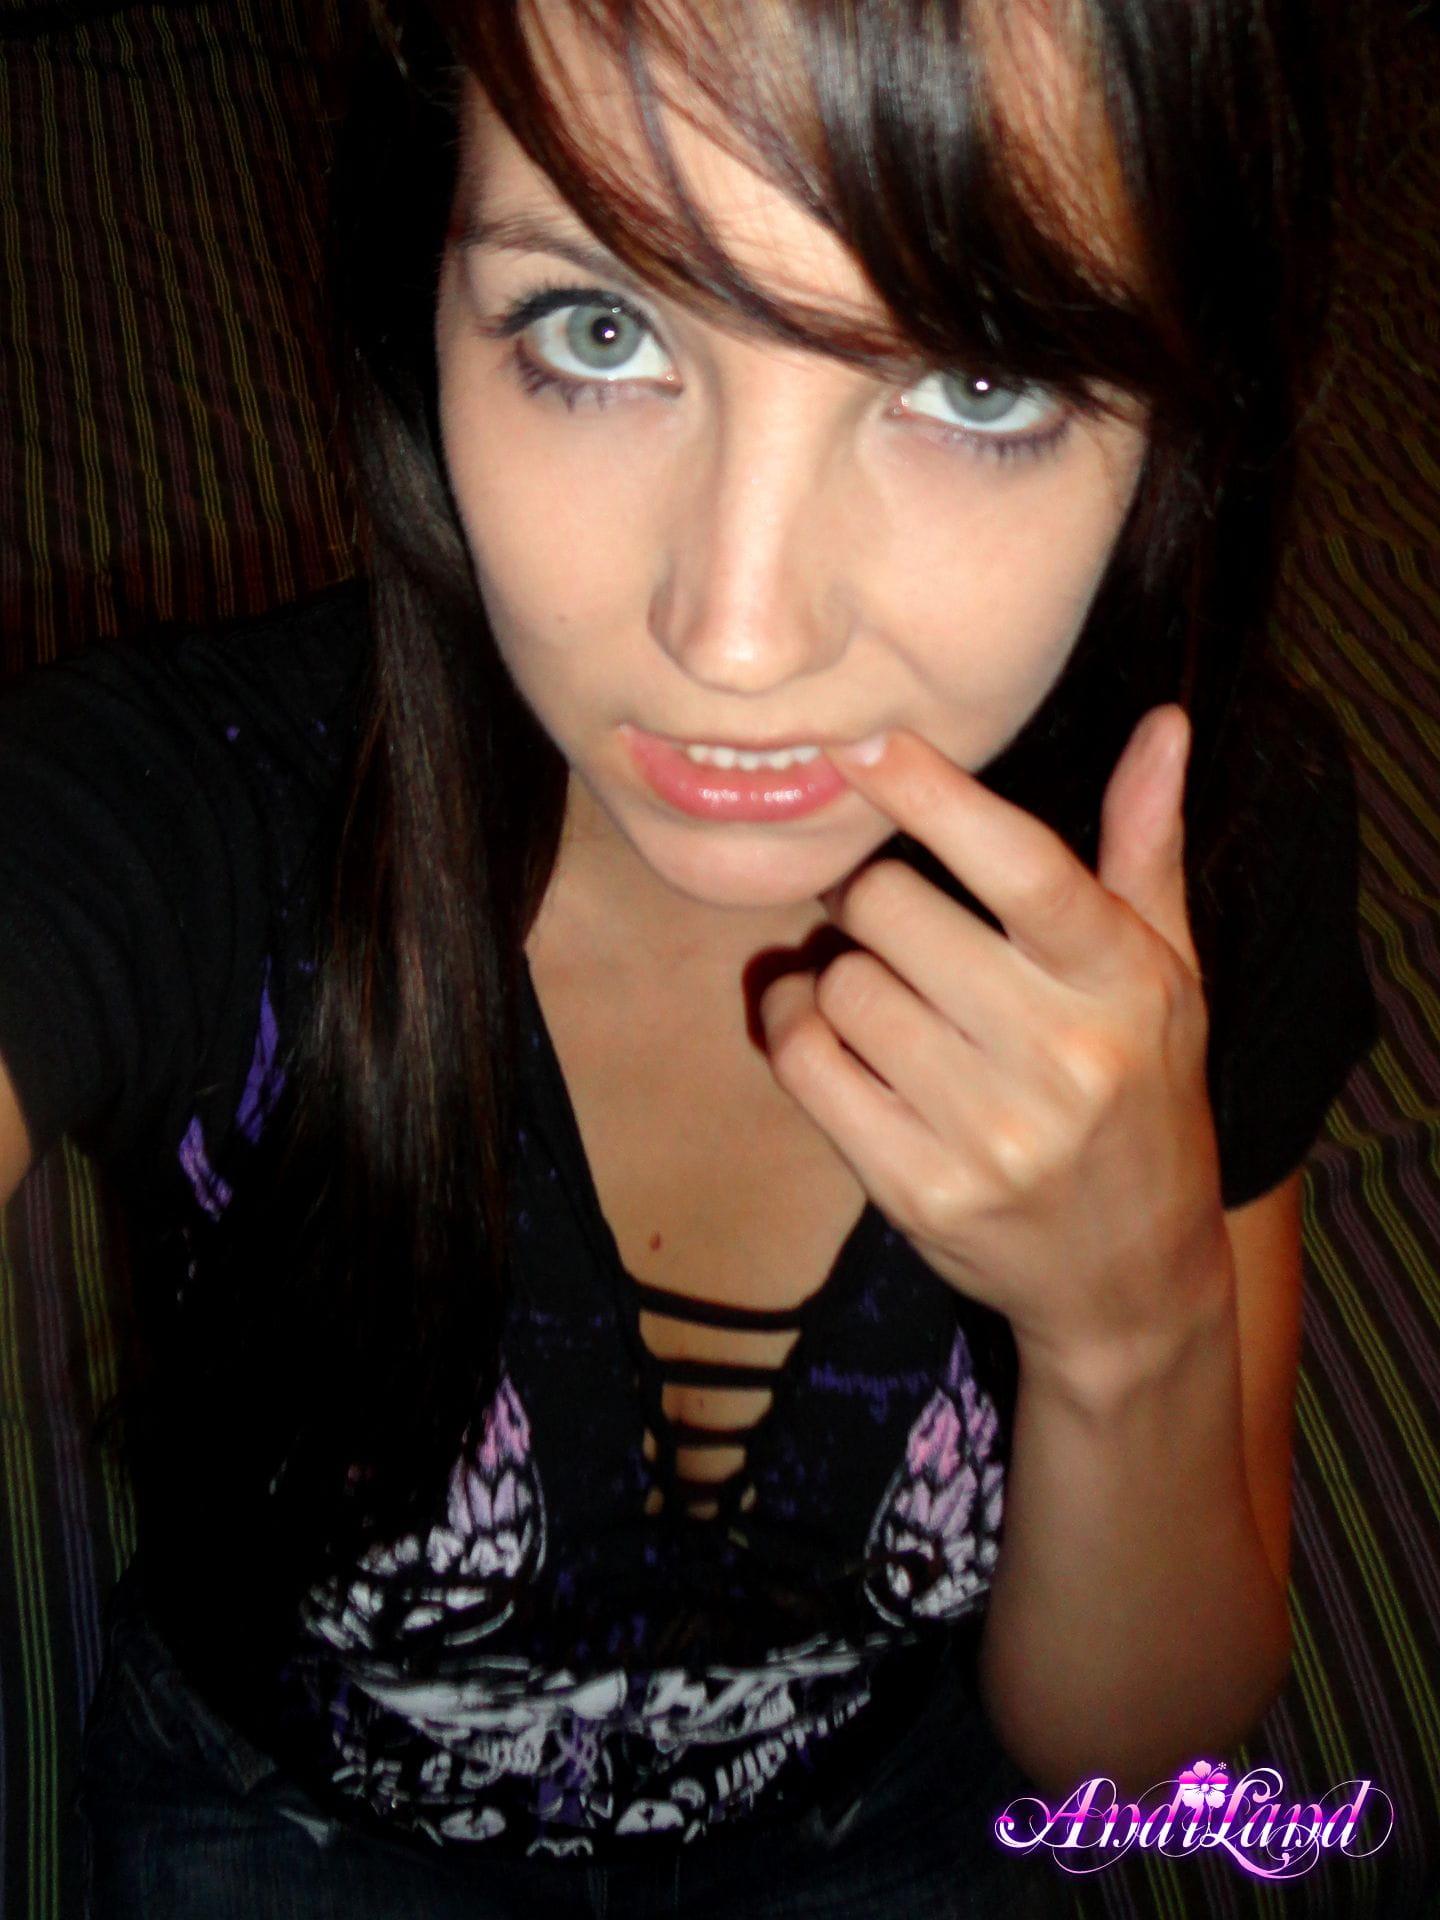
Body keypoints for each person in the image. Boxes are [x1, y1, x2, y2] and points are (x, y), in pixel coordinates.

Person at [0, 0, 1375, 1913]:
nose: (736, 636)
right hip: (291, 1814)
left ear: (1186, 413)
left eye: (975, 378)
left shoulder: (1205, 866)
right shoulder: (179, 815)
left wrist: (1127, 1330)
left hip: (871, 1820)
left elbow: (1129, 1757)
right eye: (599, 328)